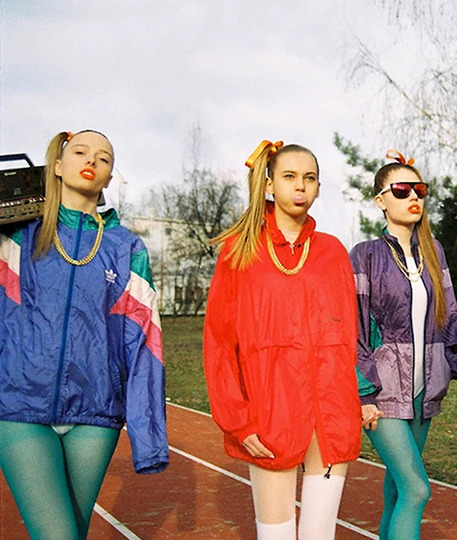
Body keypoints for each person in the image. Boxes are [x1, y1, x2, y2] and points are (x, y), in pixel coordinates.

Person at [0, 130, 168, 539]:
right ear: (56, 166)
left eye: (104, 158)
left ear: (109, 178)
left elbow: (144, 342)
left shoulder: (126, 247)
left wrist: (149, 436)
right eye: (80, 152)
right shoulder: (16, 235)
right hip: (20, 407)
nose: (92, 160)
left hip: (95, 415)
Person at [204, 141, 360, 540]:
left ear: (319, 187)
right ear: (269, 184)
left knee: (319, 535)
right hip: (270, 412)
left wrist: (356, 400)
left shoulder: (332, 252)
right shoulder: (239, 250)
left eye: (310, 178)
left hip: (330, 413)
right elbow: (219, 343)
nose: (300, 186)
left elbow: (348, 337)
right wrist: (238, 421)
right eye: (289, 176)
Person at [350, 150, 457, 539]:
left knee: (398, 490)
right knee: (417, 489)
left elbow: (449, 312)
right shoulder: (365, 255)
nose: (413, 196)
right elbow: (354, 327)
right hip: (381, 392)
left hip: (422, 392)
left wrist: (450, 364)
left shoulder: (434, 252)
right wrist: (363, 393)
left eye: (419, 189)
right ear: (380, 200)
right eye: (401, 190)